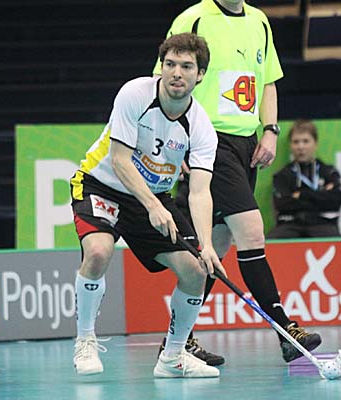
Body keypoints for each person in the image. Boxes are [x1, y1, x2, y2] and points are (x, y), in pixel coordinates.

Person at [154, 0, 322, 366]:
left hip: (247, 143)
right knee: (252, 232)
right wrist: (176, 142)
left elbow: (268, 81)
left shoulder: (259, 21)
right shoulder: (194, 18)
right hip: (209, 140)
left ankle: (178, 339)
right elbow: (163, 84)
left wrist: (271, 130)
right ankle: (286, 330)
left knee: (216, 245)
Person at [70, 32, 226, 378]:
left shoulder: (201, 128)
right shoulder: (135, 94)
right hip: (101, 185)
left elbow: (200, 191)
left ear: (200, 75)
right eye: (170, 64)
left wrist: (206, 245)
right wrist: (153, 206)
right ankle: (85, 341)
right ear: (161, 66)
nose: (176, 73)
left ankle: (173, 357)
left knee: (195, 271)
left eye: (186, 66)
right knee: (98, 252)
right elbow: (120, 160)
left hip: (153, 197)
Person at [268, 120, 341, 239]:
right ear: (290, 145)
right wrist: (320, 195)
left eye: (305, 141)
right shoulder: (282, 175)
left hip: (323, 224)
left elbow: (336, 200)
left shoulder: (329, 172)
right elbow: (281, 204)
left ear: (315, 143)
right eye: (296, 142)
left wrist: (301, 195)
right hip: (290, 225)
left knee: (334, 238)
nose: (301, 147)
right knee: (272, 241)